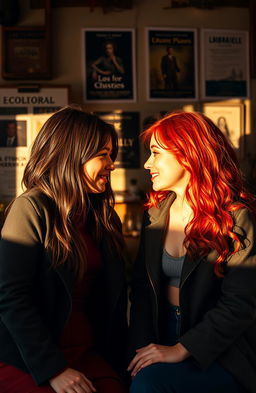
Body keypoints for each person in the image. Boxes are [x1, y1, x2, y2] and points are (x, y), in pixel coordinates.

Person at [0, 106, 128, 393]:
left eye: (111, 155)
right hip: (31, 358)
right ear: (72, 155)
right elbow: (10, 297)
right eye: (102, 155)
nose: (111, 164)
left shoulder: (104, 218)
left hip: (88, 354)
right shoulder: (31, 208)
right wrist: (53, 369)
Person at [127, 111, 256, 393]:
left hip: (220, 350)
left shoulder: (236, 219)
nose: (148, 164)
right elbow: (141, 291)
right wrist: (141, 350)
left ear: (188, 155)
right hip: (161, 338)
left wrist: (182, 349)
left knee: (149, 386)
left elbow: (240, 304)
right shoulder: (155, 215)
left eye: (156, 153)